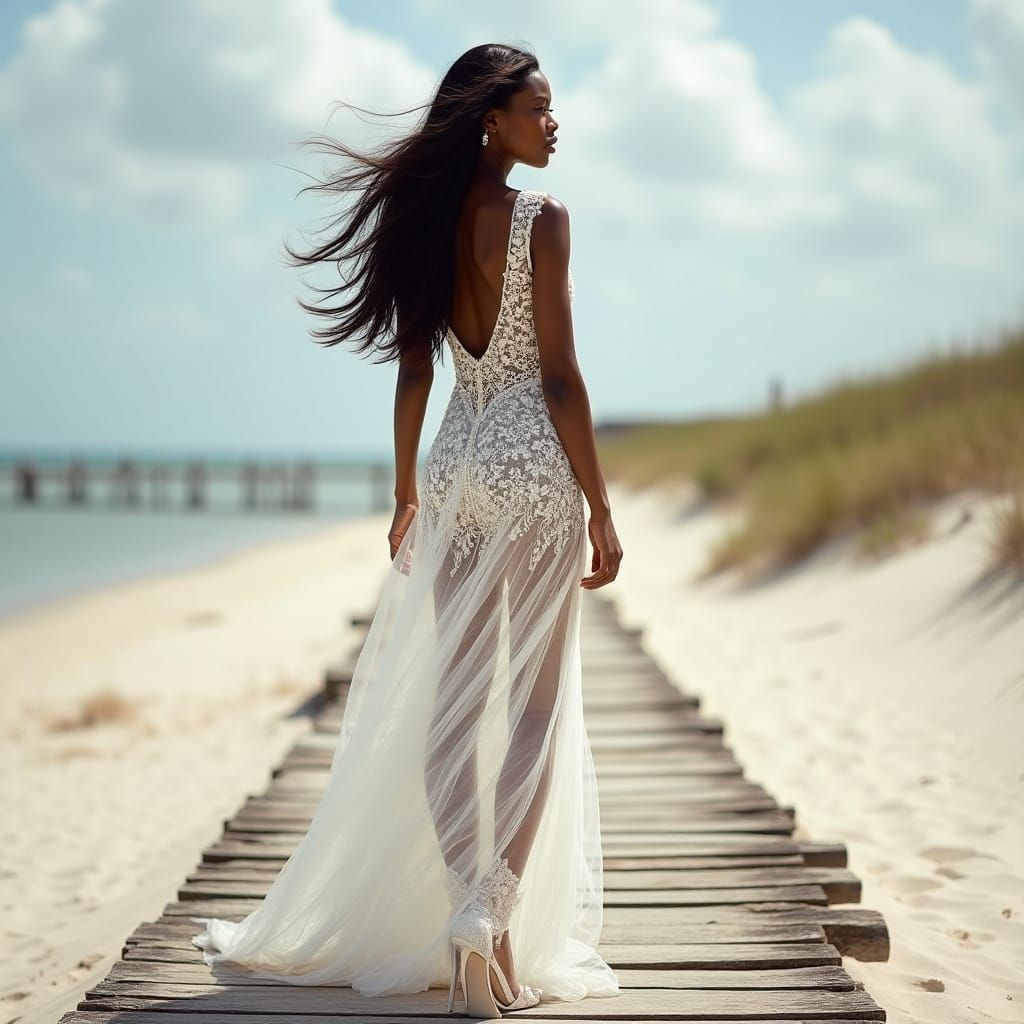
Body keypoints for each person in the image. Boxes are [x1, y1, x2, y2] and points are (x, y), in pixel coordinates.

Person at [191, 42, 623, 1017]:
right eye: (538, 109)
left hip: (455, 456)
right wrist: (599, 503)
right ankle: (485, 913)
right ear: (490, 121)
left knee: (452, 704)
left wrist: (404, 490)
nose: (554, 125)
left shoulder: (428, 225)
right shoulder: (538, 221)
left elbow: (416, 372)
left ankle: (482, 917)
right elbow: (557, 376)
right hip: (527, 459)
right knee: (535, 704)